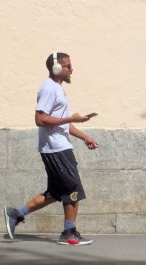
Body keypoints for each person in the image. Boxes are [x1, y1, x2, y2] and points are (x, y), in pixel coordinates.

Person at [5, 52, 99, 245]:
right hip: (56, 149)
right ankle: (68, 233)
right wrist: (71, 118)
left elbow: (62, 124)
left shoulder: (58, 89)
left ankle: (16, 214)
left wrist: (84, 137)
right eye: (68, 66)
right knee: (73, 189)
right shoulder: (49, 88)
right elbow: (40, 119)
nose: (72, 69)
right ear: (57, 69)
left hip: (59, 146)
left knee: (57, 193)